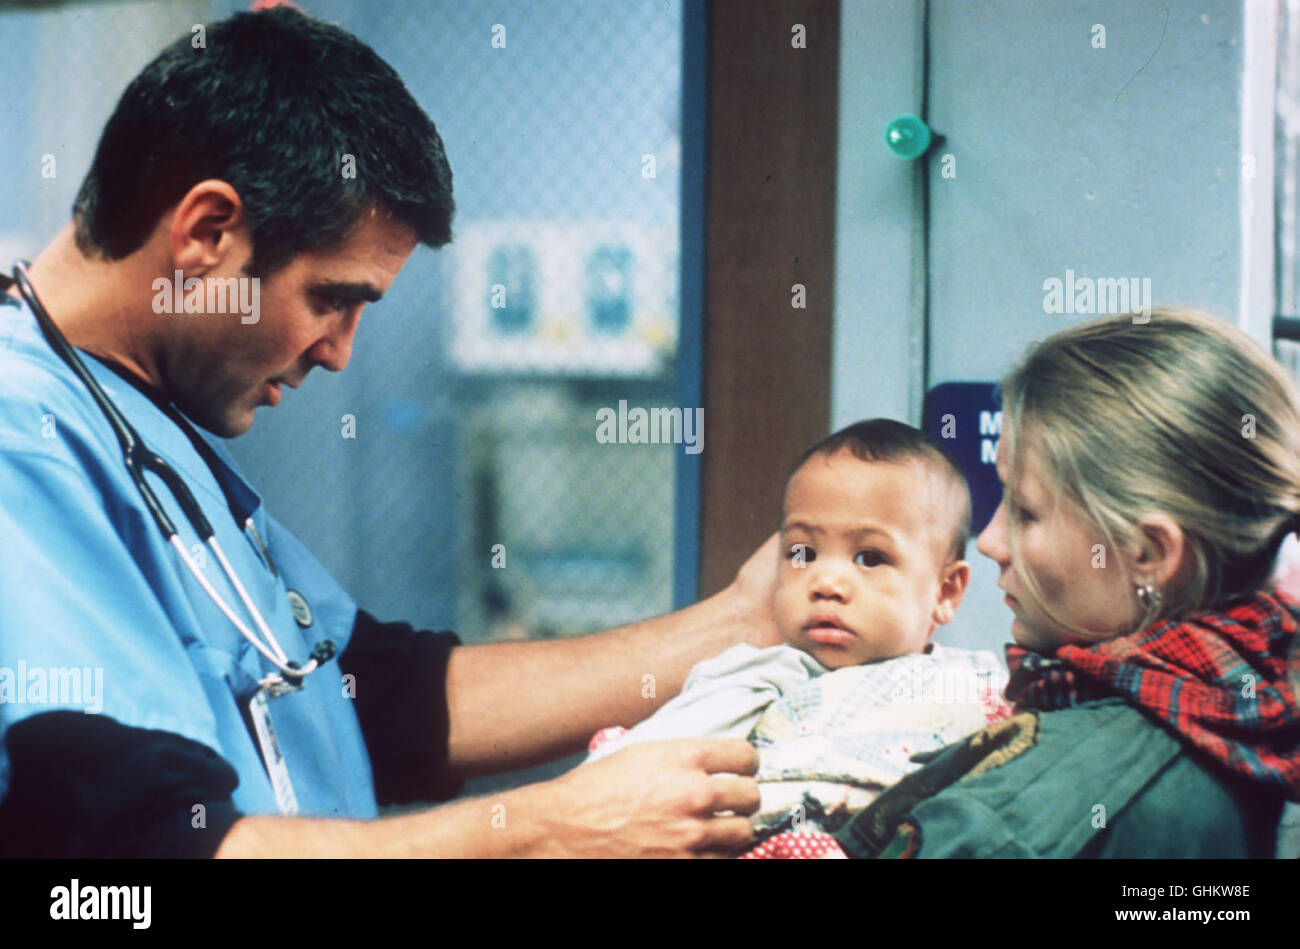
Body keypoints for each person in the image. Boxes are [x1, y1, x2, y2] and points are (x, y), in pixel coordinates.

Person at [0, 7, 780, 858]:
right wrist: (555, 828)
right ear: (206, 233)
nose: (337, 353)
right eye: (332, 298)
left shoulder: (134, 414)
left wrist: (749, 620)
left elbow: (369, 695)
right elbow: (147, 857)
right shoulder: (21, 435)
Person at [834, 308, 1300, 858]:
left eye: (1026, 512)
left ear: (1147, 553)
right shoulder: (1262, 701)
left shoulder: (1018, 819)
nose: (989, 542)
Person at [585, 419, 1007, 839]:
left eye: (870, 557)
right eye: (802, 552)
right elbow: (641, 768)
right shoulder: (755, 679)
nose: (825, 583)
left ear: (945, 591)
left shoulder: (979, 686)